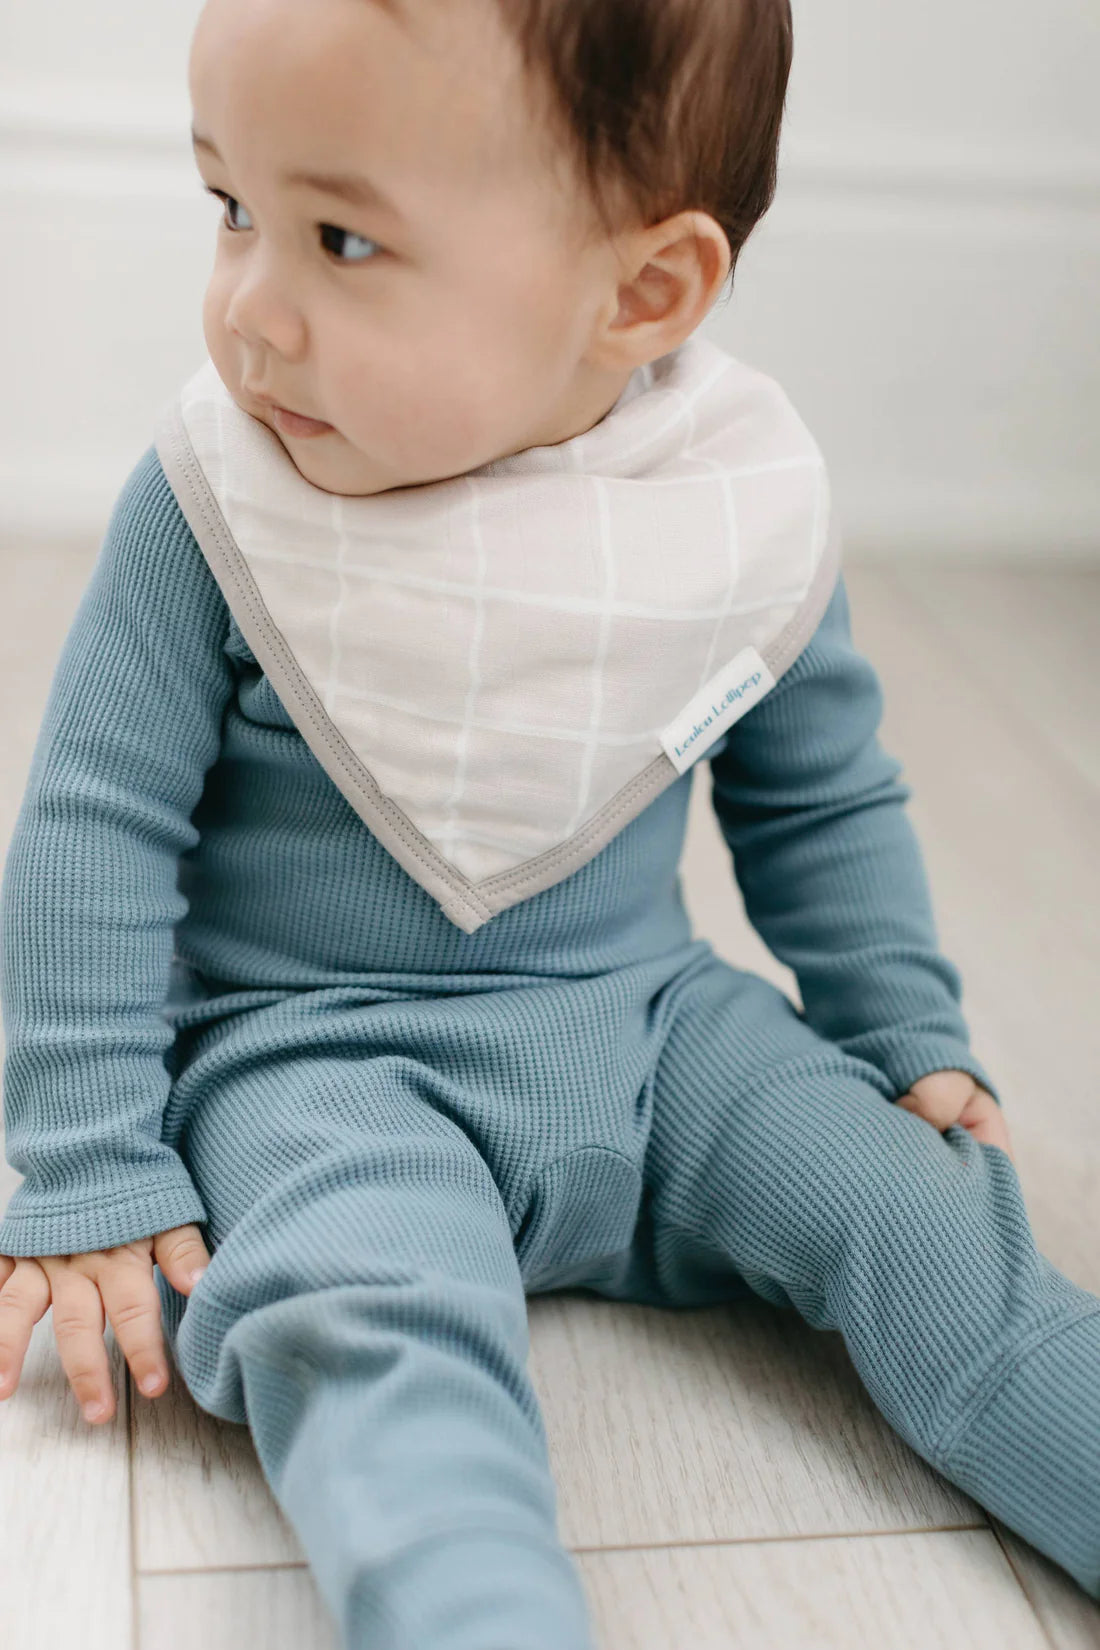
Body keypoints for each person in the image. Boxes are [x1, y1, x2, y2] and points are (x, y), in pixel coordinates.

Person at [0, 1, 1096, 1645]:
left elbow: (819, 788)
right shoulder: (220, 498)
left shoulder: (725, 505)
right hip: (315, 1058)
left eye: (344, 238)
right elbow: (93, 819)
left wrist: (900, 1028)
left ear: (641, 294)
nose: (251, 315)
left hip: (657, 1035)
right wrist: (88, 1157)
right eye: (232, 210)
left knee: (919, 1218)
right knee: (376, 1338)